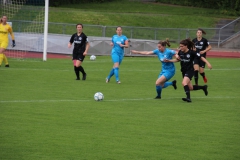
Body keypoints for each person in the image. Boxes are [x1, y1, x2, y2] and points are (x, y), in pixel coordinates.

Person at [173, 38, 212, 103]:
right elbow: (178, 58)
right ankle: (203, 87)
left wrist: (208, 63)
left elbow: (201, 57)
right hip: (183, 70)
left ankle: (188, 98)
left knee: (184, 83)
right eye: (180, 46)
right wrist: (173, 58)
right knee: (190, 88)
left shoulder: (192, 52)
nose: (180, 47)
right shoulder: (181, 52)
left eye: (182, 46)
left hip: (190, 70)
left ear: (186, 46)